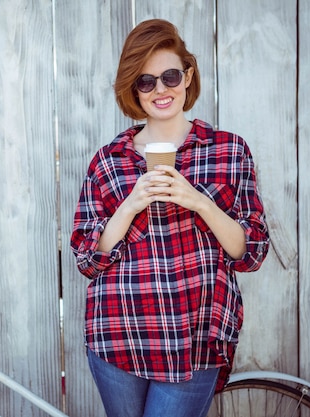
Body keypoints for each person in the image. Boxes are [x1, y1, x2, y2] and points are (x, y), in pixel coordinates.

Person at [70, 19, 270, 417]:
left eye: (170, 76)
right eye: (146, 81)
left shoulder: (228, 151)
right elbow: (87, 259)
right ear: (134, 89)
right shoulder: (109, 160)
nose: (160, 89)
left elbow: (251, 252)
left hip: (194, 339)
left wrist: (200, 202)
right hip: (119, 336)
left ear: (188, 76)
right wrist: (130, 205)